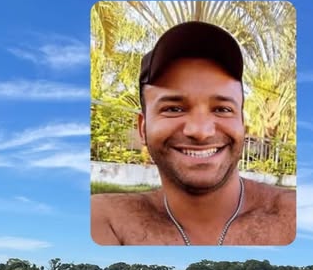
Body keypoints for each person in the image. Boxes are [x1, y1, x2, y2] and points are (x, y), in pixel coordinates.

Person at [91, 21, 296, 246]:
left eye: (222, 109)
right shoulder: (106, 219)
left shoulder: (293, 215)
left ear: (242, 124)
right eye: (174, 109)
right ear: (143, 128)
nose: (200, 132)